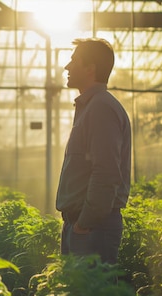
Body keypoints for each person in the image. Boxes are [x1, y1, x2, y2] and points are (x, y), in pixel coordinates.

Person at [56, 38, 131, 264]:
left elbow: (106, 173)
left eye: (74, 61)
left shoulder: (100, 108)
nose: (67, 67)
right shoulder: (92, 106)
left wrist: (83, 224)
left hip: (92, 229)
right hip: (86, 227)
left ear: (91, 69)